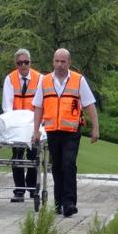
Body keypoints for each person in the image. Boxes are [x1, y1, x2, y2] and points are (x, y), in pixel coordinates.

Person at [32, 48, 99, 217]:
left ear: (69, 63)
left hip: (71, 130)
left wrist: (95, 128)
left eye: (63, 62)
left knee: (69, 164)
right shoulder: (45, 81)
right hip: (53, 130)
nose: (59, 65)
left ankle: (69, 203)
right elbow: (38, 106)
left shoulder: (78, 80)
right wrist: (36, 131)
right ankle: (58, 202)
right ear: (53, 62)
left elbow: (90, 104)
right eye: (57, 61)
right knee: (57, 167)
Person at [1, 48, 42, 202]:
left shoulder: (40, 79)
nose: (23, 66)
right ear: (16, 64)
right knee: (17, 156)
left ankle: (32, 188)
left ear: (30, 62)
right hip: (16, 123)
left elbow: (41, 104)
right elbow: (7, 104)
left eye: (26, 62)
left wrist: (37, 126)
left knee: (33, 156)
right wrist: (12, 124)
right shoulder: (10, 79)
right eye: (20, 63)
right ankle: (19, 190)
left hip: (33, 123)